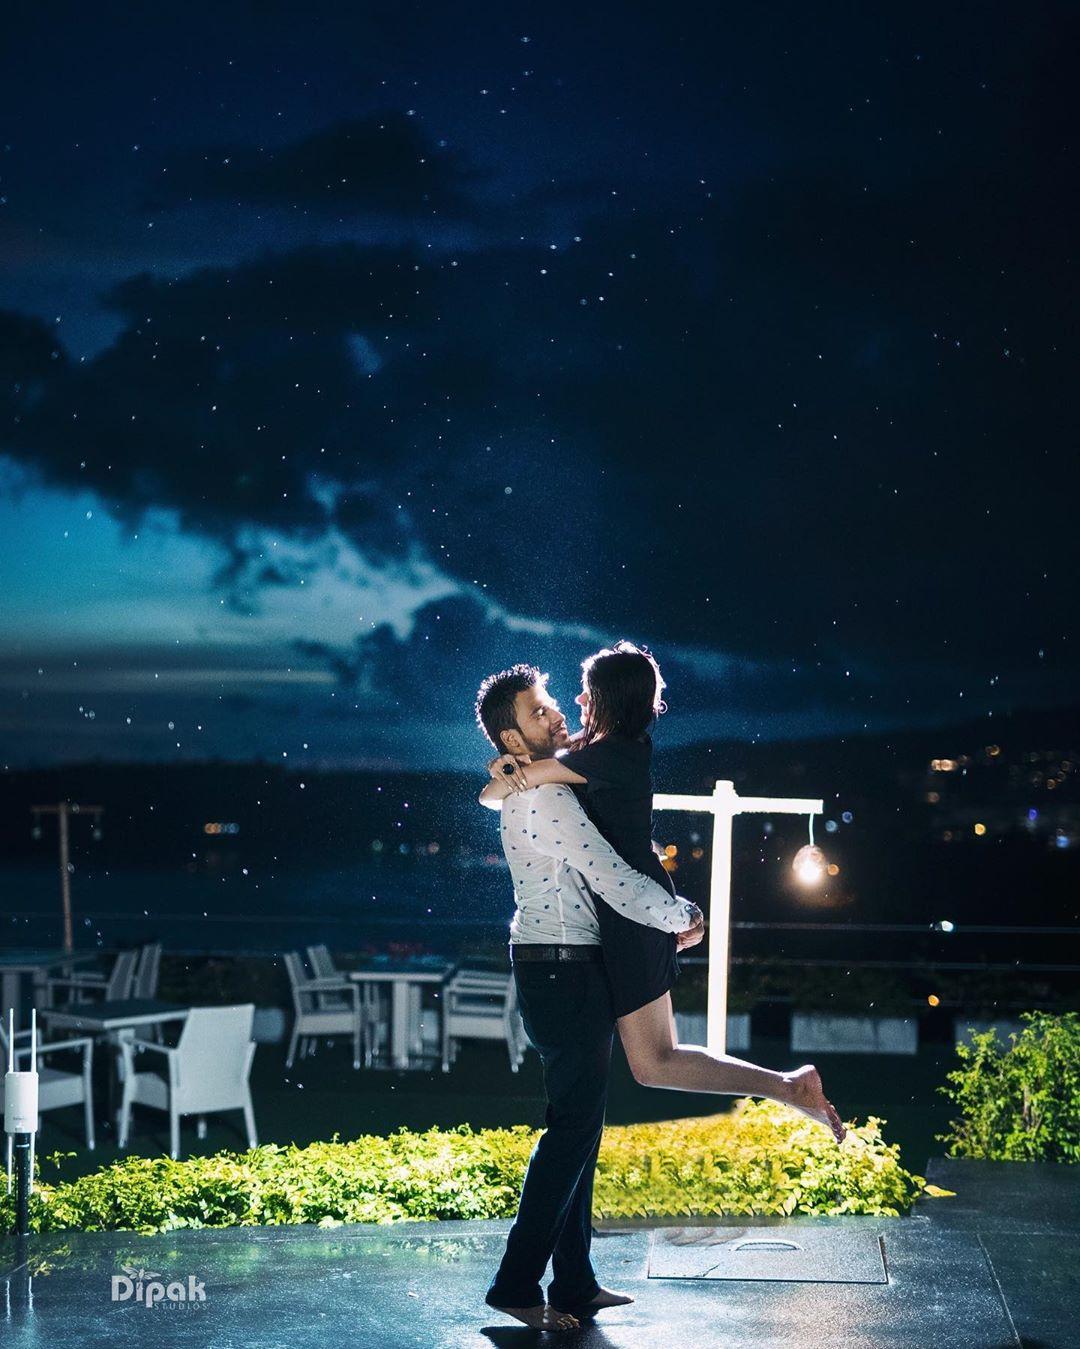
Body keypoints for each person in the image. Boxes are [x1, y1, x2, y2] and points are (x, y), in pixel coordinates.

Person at [479, 642, 845, 1161]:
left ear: (607, 701)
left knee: (656, 1062)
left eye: (586, 693)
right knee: (655, 1063)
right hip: (637, 910)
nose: (574, 700)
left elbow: (512, 794)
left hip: (634, 914)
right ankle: (788, 1086)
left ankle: (788, 1086)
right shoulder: (613, 748)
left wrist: (505, 774)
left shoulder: (598, 757)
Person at [474, 663, 705, 1332]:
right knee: (571, 1131)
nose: (554, 715)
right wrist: (680, 914)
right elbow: (609, 876)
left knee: (580, 1129)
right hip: (561, 970)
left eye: (550, 704)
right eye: (538, 711)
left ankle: (575, 1280)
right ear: (511, 738)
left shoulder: (540, 782)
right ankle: (516, 1284)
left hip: (565, 969)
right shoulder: (544, 797)